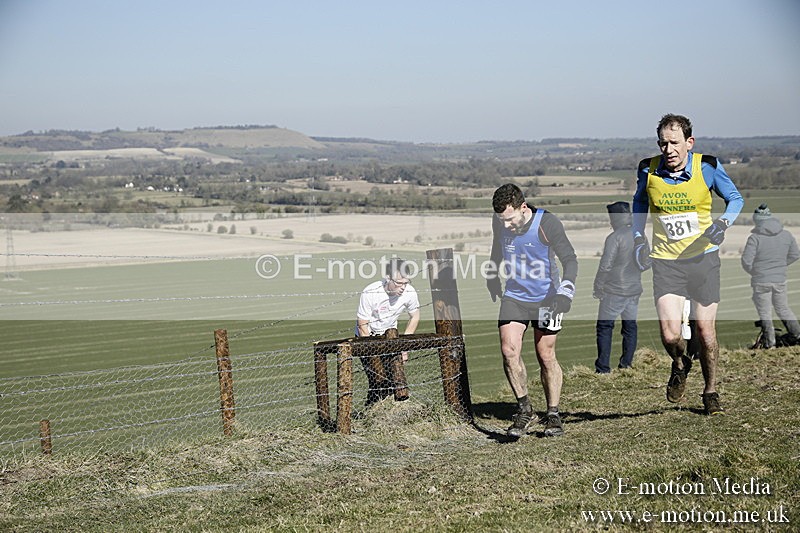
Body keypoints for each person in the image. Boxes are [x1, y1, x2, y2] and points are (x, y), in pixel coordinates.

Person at [632, 114, 743, 416]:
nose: (668, 149)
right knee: (670, 335)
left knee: (705, 332)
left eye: (674, 143)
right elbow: (640, 203)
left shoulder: (706, 166)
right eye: (663, 143)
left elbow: (735, 199)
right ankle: (681, 363)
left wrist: (722, 224)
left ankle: (710, 391)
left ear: (689, 143)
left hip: (703, 259)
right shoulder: (648, 168)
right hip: (666, 262)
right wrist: (638, 238)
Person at [487, 183, 578, 438]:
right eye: (501, 220)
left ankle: (553, 413)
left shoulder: (547, 223)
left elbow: (570, 259)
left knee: (545, 355)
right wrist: (492, 276)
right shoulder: (501, 222)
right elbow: (497, 245)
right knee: (508, 350)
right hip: (514, 296)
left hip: (548, 298)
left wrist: (565, 292)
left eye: (510, 219)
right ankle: (525, 409)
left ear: (523, 207)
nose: (506, 226)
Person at [356, 258, 420, 406]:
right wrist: (372, 351)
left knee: (395, 379)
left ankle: (393, 411)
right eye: (399, 283)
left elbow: (415, 315)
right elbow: (362, 325)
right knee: (378, 379)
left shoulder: (409, 292)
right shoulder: (371, 292)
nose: (403, 287)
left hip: (391, 338)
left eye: (406, 282)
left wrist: (404, 346)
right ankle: (373, 412)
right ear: (387, 278)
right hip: (368, 337)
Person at [593, 201, 642, 373]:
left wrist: (598, 285)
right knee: (630, 327)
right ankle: (626, 364)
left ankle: (603, 368)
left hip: (614, 290)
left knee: (605, 327)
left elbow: (605, 265)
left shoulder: (614, 238)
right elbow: (646, 261)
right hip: (634, 289)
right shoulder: (638, 235)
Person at [741, 203, 800, 347]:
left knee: (765, 313)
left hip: (761, 281)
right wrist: (780, 266)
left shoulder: (755, 238)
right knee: (783, 308)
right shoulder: (786, 235)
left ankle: (770, 343)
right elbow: (795, 254)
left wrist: (756, 272)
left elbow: (746, 261)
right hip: (780, 279)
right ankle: (797, 335)